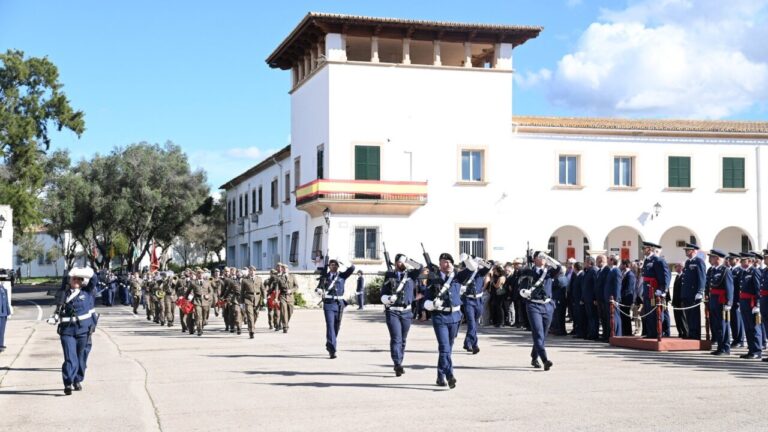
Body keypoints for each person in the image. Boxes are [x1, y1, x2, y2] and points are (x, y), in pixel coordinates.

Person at [48, 266, 97, 395]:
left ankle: (77, 379)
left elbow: (94, 280)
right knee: (70, 358)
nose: (75, 281)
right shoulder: (63, 294)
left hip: (83, 331)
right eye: (73, 279)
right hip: (67, 331)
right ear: (69, 280)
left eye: (78, 279)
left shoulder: (87, 292)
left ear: (82, 281)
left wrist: (85, 270)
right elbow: (58, 306)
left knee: (81, 359)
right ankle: (68, 382)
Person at [424, 252, 465, 388]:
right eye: (444, 262)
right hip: (440, 317)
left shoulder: (457, 277)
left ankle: (440, 376)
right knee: (444, 348)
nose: (447, 264)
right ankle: (450, 375)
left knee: (448, 349)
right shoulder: (433, 278)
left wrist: (469, 259)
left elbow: (473, 270)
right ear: (440, 264)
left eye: (449, 262)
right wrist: (431, 304)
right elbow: (427, 298)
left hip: (454, 316)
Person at [380, 253, 422, 376]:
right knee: (396, 338)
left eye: (404, 262)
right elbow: (383, 294)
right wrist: (388, 298)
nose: (402, 264)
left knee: (403, 339)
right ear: (396, 263)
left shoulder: (411, 275)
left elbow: (420, 267)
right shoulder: (389, 275)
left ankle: (399, 361)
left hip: (407, 312)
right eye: (400, 261)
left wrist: (408, 260)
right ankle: (397, 363)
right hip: (392, 311)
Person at [520, 251, 561, 370]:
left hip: (547, 305)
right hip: (533, 305)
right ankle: (545, 360)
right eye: (540, 257)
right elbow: (521, 287)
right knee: (538, 333)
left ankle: (534, 356)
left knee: (543, 334)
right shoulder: (528, 272)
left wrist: (548, 258)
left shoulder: (549, 271)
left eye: (543, 257)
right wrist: (524, 292)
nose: (542, 259)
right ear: (534, 259)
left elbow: (558, 267)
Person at [315, 259, 355, 358]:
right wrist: (319, 290)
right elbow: (318, 288)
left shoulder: (342, 276)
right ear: (329, 266)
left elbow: (352, 268)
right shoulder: (325, 276)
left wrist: (343, 261)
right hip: (328, 304)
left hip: (339, 304)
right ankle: (332, 349)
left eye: (335, 265)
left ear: (338, 266)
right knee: (330, 325)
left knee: (336, 326)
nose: (333, 266)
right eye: (332, 265)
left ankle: (330, 343)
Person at [460, 254, 491, 354]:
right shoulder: (464, 273)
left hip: (478, 300)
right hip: (468, 300)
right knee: (472, 323)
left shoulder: (480, 272)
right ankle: (475, 345)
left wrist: (479, 259)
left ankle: (467, 342)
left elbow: (490, 265)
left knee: (475, 323)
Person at [640, 242, 671, 339]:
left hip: (654, 291)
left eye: (644, 248)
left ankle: (658, 332)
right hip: (647, 290)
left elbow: (665, 276)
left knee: (656, 312)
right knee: (648, 312)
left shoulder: (658, 260)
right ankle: (651, 333)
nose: (642, 250)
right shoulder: (646, 260)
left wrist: (662, 289)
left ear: (649, 249)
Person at [706, 249, 733, 355]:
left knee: (723, 325)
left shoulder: (725, 270)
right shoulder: (713, 270)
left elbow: (729, 288)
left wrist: (728, 303)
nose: (710, 259)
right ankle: (720, 346)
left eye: (712, 257)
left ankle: (725, 348)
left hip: (722, 301)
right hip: (714, 300)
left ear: (717, 258)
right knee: (716, 325)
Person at [738, 252, 763, 359]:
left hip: (752, 303)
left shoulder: (755, 271)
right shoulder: (744, 272)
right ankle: (751, 349)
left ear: (750, 261)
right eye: (741, 261)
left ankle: (757, 350)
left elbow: (758, 289)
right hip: (744, 302)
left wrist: (757, 304)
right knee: (748, 327)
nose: (741, 263)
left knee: (754, 327)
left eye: (744, 261)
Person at [681, 243, 706, 339]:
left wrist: (700, 291)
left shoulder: (699, 261)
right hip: (687, 293)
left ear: (694, 251)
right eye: (686, 250)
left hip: (694, 293)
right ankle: (690, 333)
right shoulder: (687, 262)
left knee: (694, 315)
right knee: (688, 314)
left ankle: (695, 334)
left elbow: (702, 277)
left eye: (688, 250)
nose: (686, 252)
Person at [241, 266, 265, 338]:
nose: (252, 272)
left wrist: (265, 298)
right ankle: (251, 331)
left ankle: (251, 325)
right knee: (250, 315)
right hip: (248, 298)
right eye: (251, 270)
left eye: (253, 270)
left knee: (256, 314)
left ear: (255, 271)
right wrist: (241, 302)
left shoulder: (259, 279)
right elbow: (242, 292)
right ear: (249, 271)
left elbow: (262, 289)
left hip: (257, 298)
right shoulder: (244, 280)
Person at [727, 253, 745, 347]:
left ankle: (740, 340)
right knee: (733, 321)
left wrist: (739, 300)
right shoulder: (730, 270)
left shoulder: (740, 271)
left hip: (737, 299)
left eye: (732, 259)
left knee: (738, 321)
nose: (729, 260)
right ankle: (735, 339)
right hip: (731, 299)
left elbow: (741, 287)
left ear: (737, 260)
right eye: (729, 259)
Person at [277, 263, 298, 333]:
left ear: (288, 269)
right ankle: (285, 326)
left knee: (290, 311)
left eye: (286, 268)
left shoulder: (292, 277)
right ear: (282, 270)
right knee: (283, 311)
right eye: (283, 268)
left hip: (290, 296)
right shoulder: (279, 278)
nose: (284, 269)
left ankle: (285, 322)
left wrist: (291, 290)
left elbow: (296, 286)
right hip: (283, 296)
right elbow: (277, 289)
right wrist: (276, 298)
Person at [582, 257, 599, 340]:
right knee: (590, 316)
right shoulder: (588, 271)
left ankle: (594, 333)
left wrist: (595, 298)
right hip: (587, 298)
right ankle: (590, 332)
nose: (584, 263)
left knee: (593, 316)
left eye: (585, 262)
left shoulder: (594, 271)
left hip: (591, 298)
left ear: (590, 263)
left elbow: (595, 286)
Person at [671, 264, 688, 338]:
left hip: (681, 301)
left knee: (682, 317)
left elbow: (683, 290)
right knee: (677, 317)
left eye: (676, 266)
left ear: (681, 267)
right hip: (676, 301)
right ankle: (680, 332)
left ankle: (685, 332)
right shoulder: (677, 276)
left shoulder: (683, 276)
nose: (675, 268)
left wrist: (682, 300)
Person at [619, 259, 636, 336]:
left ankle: (628, 332)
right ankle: (624, 331)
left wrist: (621, 297)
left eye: (621, 264)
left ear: (625, 265)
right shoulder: (624, 273)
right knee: (623, 316)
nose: (620, 266)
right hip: (623, 298)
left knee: (626, 316)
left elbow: (628, 289)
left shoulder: (630, 275)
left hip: (626, 299)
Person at [0, 279, 13, 353]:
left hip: (3, 313)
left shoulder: (4, 289)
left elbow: (6, 302)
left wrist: (8, 311)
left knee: (2, 330)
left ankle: (1, 344)